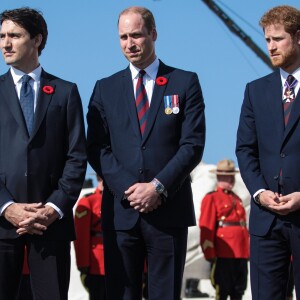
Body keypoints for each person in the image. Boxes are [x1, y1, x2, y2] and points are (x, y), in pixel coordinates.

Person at [87, 6, 205, 300]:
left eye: (136, 35)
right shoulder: (105, 89)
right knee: (120, 293)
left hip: (168, 209)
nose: (130, 43)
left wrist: (157, 187)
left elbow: (192, 145)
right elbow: (96, 147)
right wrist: (131, 190)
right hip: (122, 211)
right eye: (123, 37)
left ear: (153, 34)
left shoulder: (184, 82)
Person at [0, 7, 87, 300]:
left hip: (50, 224)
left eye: (14, 35)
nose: (5, 44)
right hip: (1, 222)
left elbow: (76, 157)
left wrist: (54, 208)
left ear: (37, 40)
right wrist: (6, 206)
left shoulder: (65, 92)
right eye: (2, 36)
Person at [236, 5, 300, 300]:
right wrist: (259, 191)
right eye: (267, 40)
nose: (271, 46)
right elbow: (245, 149)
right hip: (266, 220)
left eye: (278, 39)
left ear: (298, 38)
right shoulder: (255, 91)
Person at [199, 159, 249, 300]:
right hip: (223, 252)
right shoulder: (212, 198)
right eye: (228, 175)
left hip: (240, 253)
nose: (232, 179)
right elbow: (207, 228)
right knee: (222, 290)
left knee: (238, 290)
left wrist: (247, 250)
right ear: (220, 176)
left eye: (232, 175)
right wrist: (210, 252)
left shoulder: (237, 199)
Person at [74, 175, 106, 300]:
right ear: (98, 177)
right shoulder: (88, 201)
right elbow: (81, 235)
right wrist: (83, 263)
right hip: (97, 265)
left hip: (122, 261)